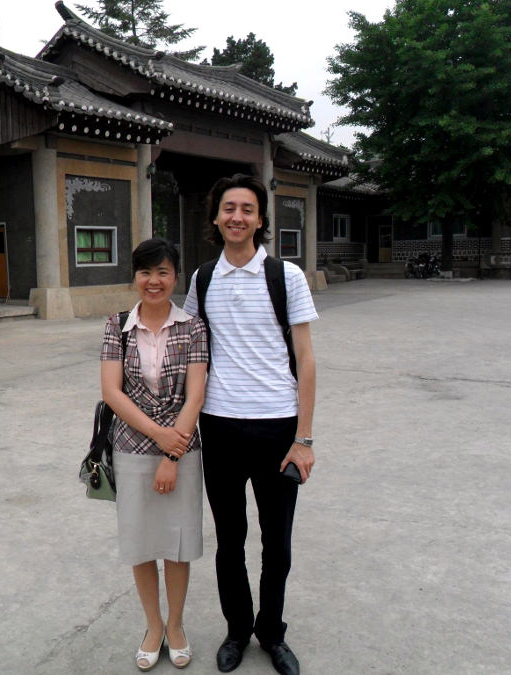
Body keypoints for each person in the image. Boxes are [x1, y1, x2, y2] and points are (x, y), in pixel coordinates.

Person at [183, 174, 317, 675]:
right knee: (230, 539)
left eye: (247, 209)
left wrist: (303, 438)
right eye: (228, 208)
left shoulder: (287, 277)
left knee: (277, 543)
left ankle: (272, 632)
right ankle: (238, 629)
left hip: (278, 427)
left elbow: (305, 358)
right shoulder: (201, 280)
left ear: (260, 219)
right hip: (219, 427)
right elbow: (195, 355)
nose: (237, 216)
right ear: (216, 218)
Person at [100, 238, 209, 671]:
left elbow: (195, 395)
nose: (154, 281)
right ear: (135, 277)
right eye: (146, 272)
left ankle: (177, 625)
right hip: (130, 449)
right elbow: (111, 392)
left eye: (163, 272)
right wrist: (156, 438)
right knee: (142, 543)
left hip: (183, 449)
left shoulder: (193, 327)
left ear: (175, 277)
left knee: (177, 545)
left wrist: (172, 454)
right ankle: (152, 625)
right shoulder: (117, 325)